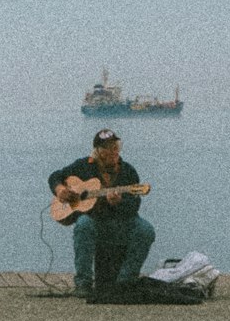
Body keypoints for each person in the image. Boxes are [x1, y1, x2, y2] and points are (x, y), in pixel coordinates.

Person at [48, 128, 155, 298]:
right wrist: (60, 189)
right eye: (108, 147)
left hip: (122, 221)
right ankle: (83, 283)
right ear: (98, 151)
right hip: (95, 221)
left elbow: (134, 205)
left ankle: (125, 281)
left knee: (146, 230)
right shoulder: (84, 166)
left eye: (115, 146)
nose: (113, 151)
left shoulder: (128, 171)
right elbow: (56, 175)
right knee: (83, 225)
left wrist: (119, 202)